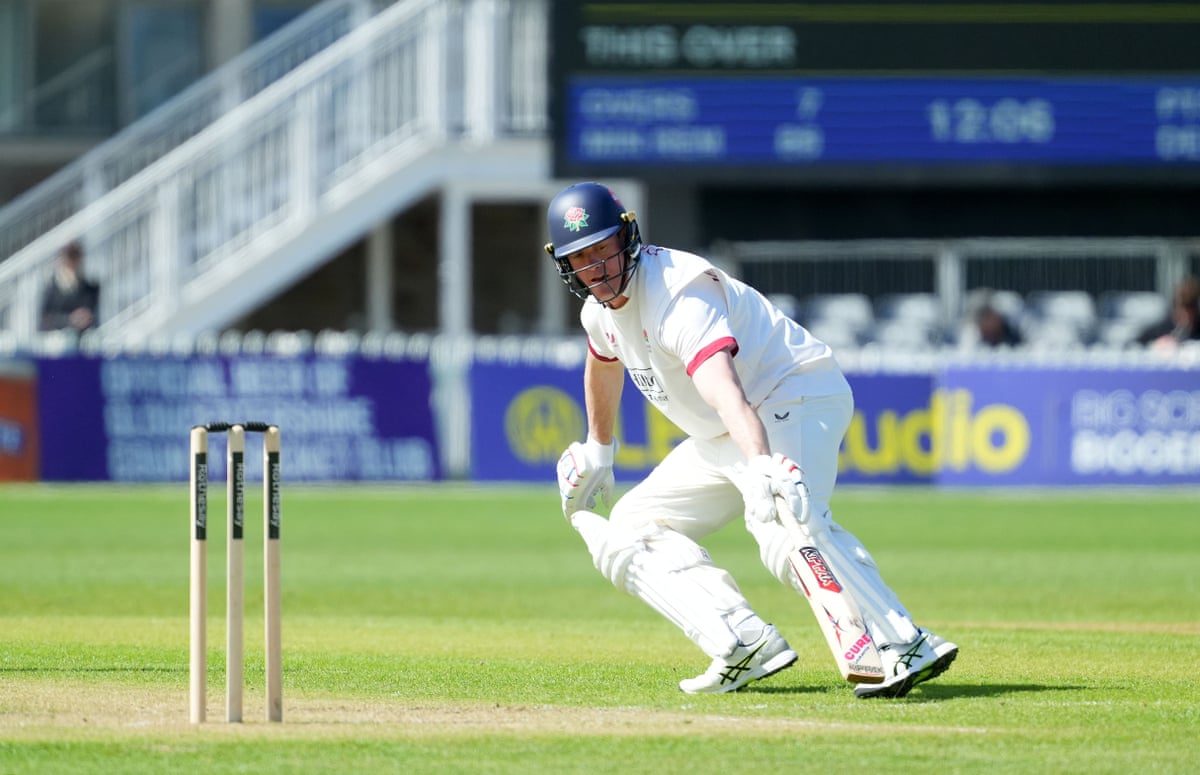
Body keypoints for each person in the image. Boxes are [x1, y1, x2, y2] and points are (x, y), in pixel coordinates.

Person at [547, 182, 957, 698]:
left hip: (793, 392)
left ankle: (902, 642)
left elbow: (724, 388)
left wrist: (763, 464)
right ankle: (743, 643)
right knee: (631, 527)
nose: (597, 269)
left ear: (627, 236)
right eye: (581, 258)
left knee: (782, 518)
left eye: (603, 249)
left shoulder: (680, 293)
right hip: (720, 432)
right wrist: (598, 450)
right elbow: (603, 359)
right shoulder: (598, 310)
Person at [39, 241, 100, 333]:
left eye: (75, 257)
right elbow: (44, 321)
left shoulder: (90, 289)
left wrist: (84, 319)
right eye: (69, 258)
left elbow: (95, 319)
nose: (72, 263)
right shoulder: (51, 289)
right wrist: (69, 320)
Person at [1137, 276, 1200, 350]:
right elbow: (1136, 344)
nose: (1185, 316)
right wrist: (1155, 344)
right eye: (1182, 310)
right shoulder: (1164, 327)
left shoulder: (1197, 328)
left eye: (1189, 311)